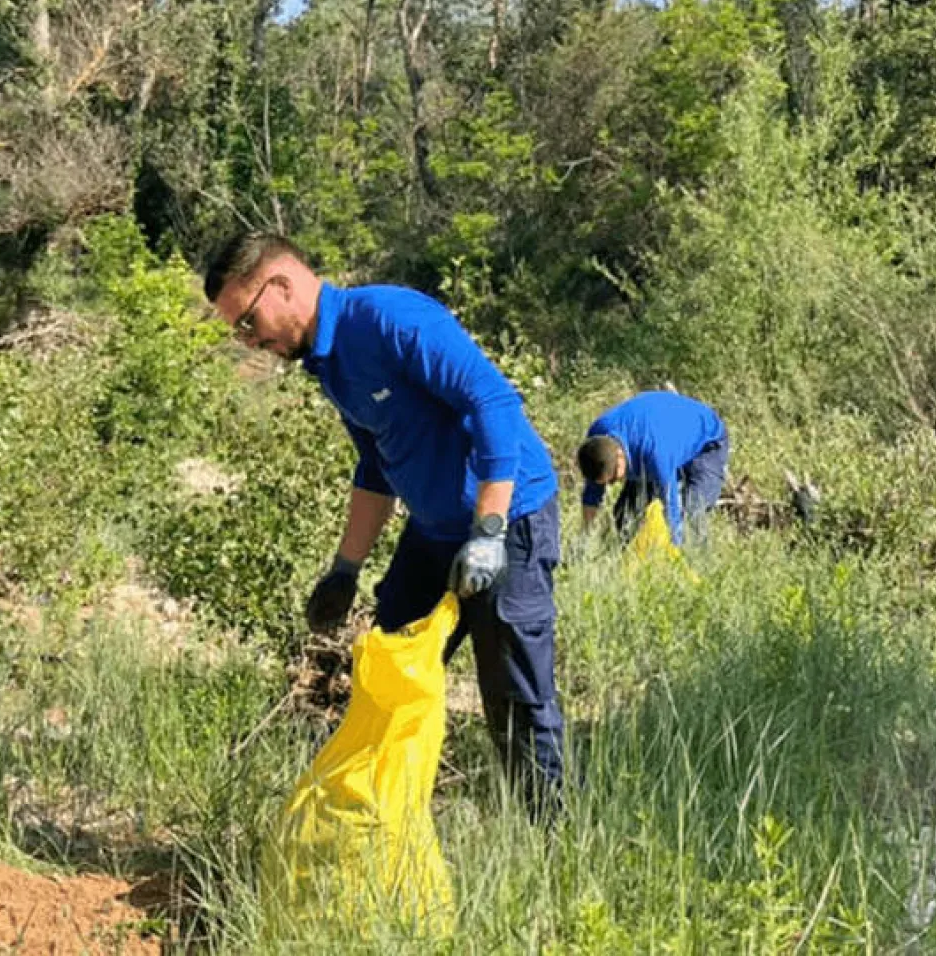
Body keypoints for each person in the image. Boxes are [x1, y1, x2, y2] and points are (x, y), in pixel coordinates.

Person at [203, 233, 562, 816]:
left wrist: (490, 529)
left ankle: (549, 837)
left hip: (509, 521)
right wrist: (345, 569)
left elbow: (492, 401)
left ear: (283, 284)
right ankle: (377, 820)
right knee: (383, 669)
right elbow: (376, 464)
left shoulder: (389, 319)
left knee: (515, 694)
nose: (251, 341)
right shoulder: (326, 363)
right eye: (238, 331)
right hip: (432, 529)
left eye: (249, 320)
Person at [576, 390, 729, 549]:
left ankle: (695, 564)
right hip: (664, 435)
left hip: (706, 443)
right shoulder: (597, 443)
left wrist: (676, 551)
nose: (613, 484)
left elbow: (671, 508)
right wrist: (585, 538)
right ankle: (630, 559)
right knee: (626, 515)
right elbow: (592, 494)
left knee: (691, 517)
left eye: (614, 478)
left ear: (620, 456)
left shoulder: (655, 453)